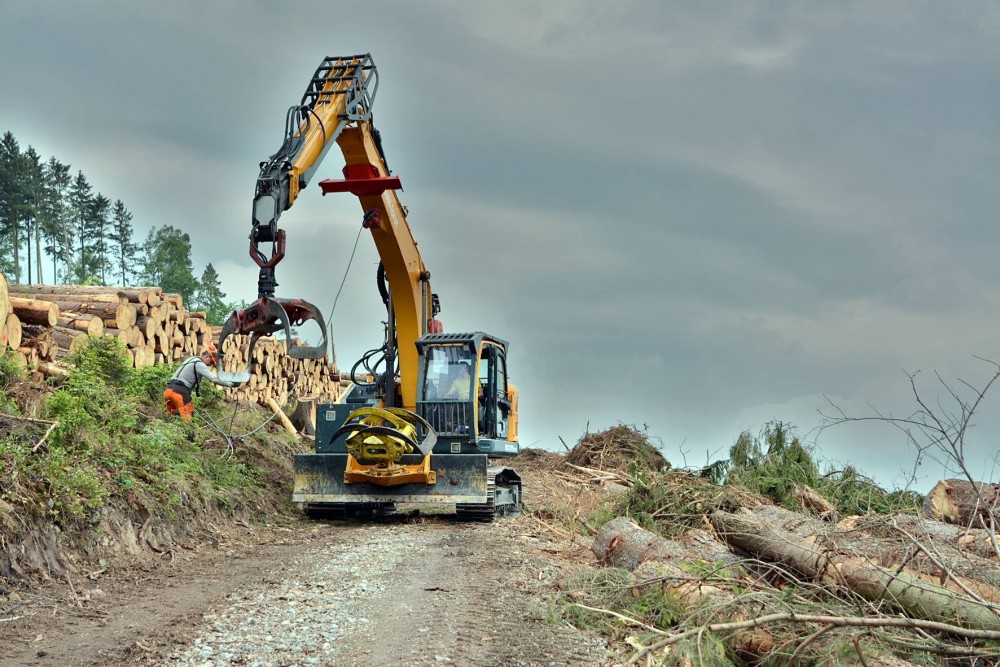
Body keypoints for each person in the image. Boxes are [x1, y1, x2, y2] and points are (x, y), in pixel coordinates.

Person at [163, 344, 237, 433]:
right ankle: (189, 443)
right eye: (211, 362)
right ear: (206, 357)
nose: (210, 365)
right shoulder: (200, 364)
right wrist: (230, 383)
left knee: (169, 419)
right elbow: (213, 379)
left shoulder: (190, 359)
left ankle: (170, 438)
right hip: (180, 393)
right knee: (188, 421)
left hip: (168, 391)